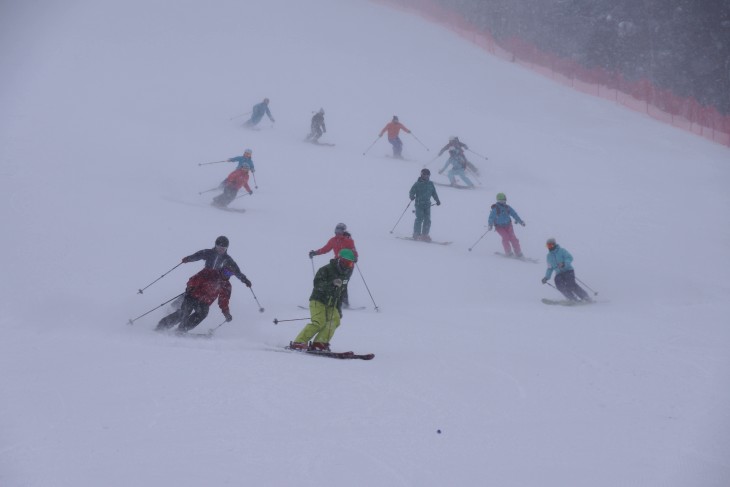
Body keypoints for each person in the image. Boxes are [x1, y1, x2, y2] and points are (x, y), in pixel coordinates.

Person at [290, 249, 356, 351]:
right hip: (318, 300)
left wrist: (338, 309)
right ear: (340, 260)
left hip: (331, 304)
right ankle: (299, 342)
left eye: (350, 263)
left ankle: (320, 343)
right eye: (347, 262)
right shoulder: (326, 269)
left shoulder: (345, 275)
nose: (348, 266)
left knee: (335, 320)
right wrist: (332, 283)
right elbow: (318, 285)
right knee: (319, 322)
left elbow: (340, 293)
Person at [156, 267, 233, 333]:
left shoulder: (226, 285)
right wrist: (191, 286)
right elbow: (194, 279)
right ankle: (162, 326)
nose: (226, 275)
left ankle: (182, 329)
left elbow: (223, 300)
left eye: (229, 274)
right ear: (222, 269)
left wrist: (226, 313)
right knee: (184, 313)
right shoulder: (210, 273)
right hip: (193, 296)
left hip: (204, 302)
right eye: (226, 272)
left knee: (203, 313)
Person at [309, 223, 358, 308]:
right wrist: (315, 253)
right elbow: (325, 249)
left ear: (344, 231)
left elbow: (354, 251)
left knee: (343, 282)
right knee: (334, 281)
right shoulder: (333, 240)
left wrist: (355, 257)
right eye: (337, 230)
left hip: (348, 265)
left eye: (340, 230)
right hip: (337, 265)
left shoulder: (348, 240)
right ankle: (330, 300)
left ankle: (345, 303)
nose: (338, 232)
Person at [181, 236, 252, 288]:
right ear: (215, 246)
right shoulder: (209, 252)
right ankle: (178, 305)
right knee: (192, 288)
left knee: (204, 295)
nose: (221, 250)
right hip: (205, 274)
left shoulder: (228, 259)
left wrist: (244, 279)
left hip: (215, 279)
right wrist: (188, 259)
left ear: (226, 248)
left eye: (223, 249)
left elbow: (236, 271)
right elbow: (198, 255)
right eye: (219, 247)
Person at [541, 238, 591, 302]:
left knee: (571, 285)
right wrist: (546, 277)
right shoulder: (549, 256)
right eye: (548, 246)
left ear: (554, 245)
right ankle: (572, 298)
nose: (549, 247)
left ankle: (585, 297)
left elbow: (570, 257)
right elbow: (550, 268)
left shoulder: (562, 251)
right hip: (559, 273)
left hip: (568, 270)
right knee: (559, 285)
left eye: (550, 245)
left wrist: (564, 263)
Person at [488, 193, 525, 257]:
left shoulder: (507, 207)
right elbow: (491, 217)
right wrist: (490, 225)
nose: (502, 202)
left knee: (513, 238)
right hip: (499, 227)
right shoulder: (495, 209)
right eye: (500, 201)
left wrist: (520, 221)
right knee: (505, 237)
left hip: (508, 225)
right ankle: (508, 252)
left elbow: (514, 214)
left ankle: (518, 252)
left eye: (503, 200)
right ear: (497, 201)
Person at [409, 168, 441, 241]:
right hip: (419, 204)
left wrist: (437, 200)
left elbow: (434, 193)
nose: (426, 177)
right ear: (421, 175)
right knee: (419, 218)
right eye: (424, 175)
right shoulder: (417, 184)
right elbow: (411, 191)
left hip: (427, 205)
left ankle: (425, 235)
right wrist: (411, 196)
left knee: (427, 220)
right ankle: (416, 234)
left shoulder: (430, 184)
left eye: (427, 175)